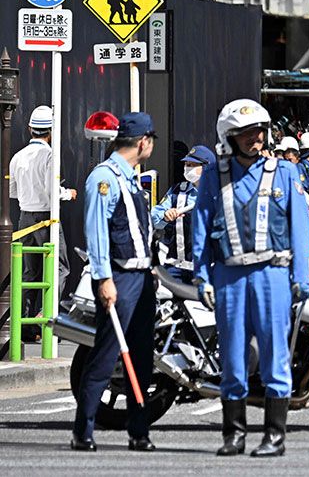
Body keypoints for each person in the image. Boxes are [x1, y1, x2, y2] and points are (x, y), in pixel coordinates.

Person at [192, 99, 309, 457]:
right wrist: (202, 277)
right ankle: (234, 435)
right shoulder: (214, 176)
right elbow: (199, 228)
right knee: (232, 356)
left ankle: (274, 436)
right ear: (228, 137)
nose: (254, 138)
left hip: (273, 274)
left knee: (276, 354)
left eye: (259, 131)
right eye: (245, 133)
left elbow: (301, 227)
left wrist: (300, 276)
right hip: (227, 275)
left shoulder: (285, 172)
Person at [72, 113, 158, 452]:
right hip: (118, 277)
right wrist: (104, 279)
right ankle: (84, 430)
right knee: (107, 355)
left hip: (141, 277)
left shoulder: (131, 178)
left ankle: (139, 431)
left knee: (141, 357)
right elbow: (96, 232)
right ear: (143, 142)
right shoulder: (104, 178)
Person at [9, 105, 75, 339]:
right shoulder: (49, 156)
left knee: (29, 272)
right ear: (51, 131)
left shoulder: (17, 157)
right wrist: (68, 193)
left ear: (30, 129)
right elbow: (51, 191)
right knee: (59, 268)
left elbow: (13, 191)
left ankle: (25, 327)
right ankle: (44, 316)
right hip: (47, 219)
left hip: (25, 217)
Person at [151, 145, 214, 283]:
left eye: (192, 165)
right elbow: (154, 217)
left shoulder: (219, 194)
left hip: (208, 270)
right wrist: (165, 216)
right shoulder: (177, 191)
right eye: (186, 164)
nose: (187, 168)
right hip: (175, 269)